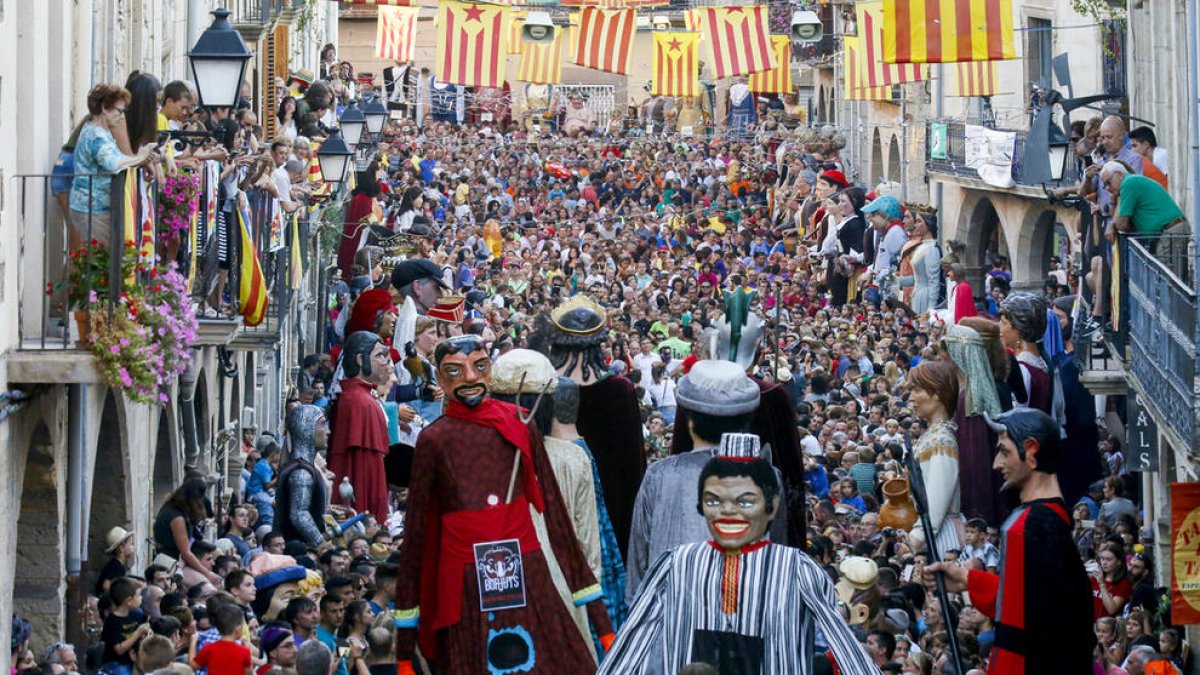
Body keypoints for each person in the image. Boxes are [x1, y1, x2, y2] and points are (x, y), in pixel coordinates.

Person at [393, 335, 613, 674]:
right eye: (455, 370)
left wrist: (601, 621)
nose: (469, 378)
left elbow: (558, 520)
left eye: (479, 367)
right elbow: (418, 534)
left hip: (527, 571)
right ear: (439, 378)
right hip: (466, 580)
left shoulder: (519, 424)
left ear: (490, 372)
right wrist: (404, 647)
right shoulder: (434, 440)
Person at [599, 441, 881, 673]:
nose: (727, 511)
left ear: (770, 507)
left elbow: (844, 646)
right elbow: (631, 643)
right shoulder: (675, 565)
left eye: (745, 501)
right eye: (714, 500)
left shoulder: (797, 570)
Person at [924, 408, 1095, 674]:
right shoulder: (1052, 517)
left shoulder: (1027, 525)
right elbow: (1030, 603)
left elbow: (1027, 630)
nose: (996, 464)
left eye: (1004, 452)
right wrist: (968, 580)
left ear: (1031, 450)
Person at [535, 295, 645, 557]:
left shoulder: (541, 385)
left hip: (551, 499)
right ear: (599, 343)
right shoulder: (620, 390)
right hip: (609, 506)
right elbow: (633, 467)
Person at [69, 83, 156, 249]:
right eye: (120, 111)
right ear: (105, 108)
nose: (122, 116)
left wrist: (144, 158)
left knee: (102, 261)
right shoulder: (96, 135)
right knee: (99, 262)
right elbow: (113, 164)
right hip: (92, 209)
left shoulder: (103, 132)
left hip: (96, 208)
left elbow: (118, 158)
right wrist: (140, 157)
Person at [329, 332, 392, 520]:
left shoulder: (362, 398)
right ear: (359, 359)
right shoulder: (360, 402)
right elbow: (363, 466)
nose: (386, 363)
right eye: (379, 356)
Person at [906, 361, 964, 553]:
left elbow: (936, 502)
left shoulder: (941, 441)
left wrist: (916, 538)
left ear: (937, 393)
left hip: (940, 538)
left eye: (917, 390)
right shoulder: (933, 436)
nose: (912, 398)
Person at [277, 405, 330, 547]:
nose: (328, 431)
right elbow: (299, 516)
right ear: (307, 429)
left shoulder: (304, 467)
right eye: (323, 424)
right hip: (299, 548)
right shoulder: (302, 473)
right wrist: (321, 543)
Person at [102, 577, 152, 675]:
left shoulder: (136, 614)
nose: (141, 598)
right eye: (138, 596)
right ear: (128, 601)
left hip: (134, 660)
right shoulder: (113, 621)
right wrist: (138, 633)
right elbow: (119, 650)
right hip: (117, 664)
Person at [189, 604, 252, 675]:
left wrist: (193, 642)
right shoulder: (243, 651)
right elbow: (248, 673)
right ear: (238, 629)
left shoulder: (209, 648)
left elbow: (193, 666)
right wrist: (248, 651)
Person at [97, 526, 136, 595]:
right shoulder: (116, 566)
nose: (133, 547)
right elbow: (106, 585)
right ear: (122, 548)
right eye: (131, 544)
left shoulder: (118, 564)